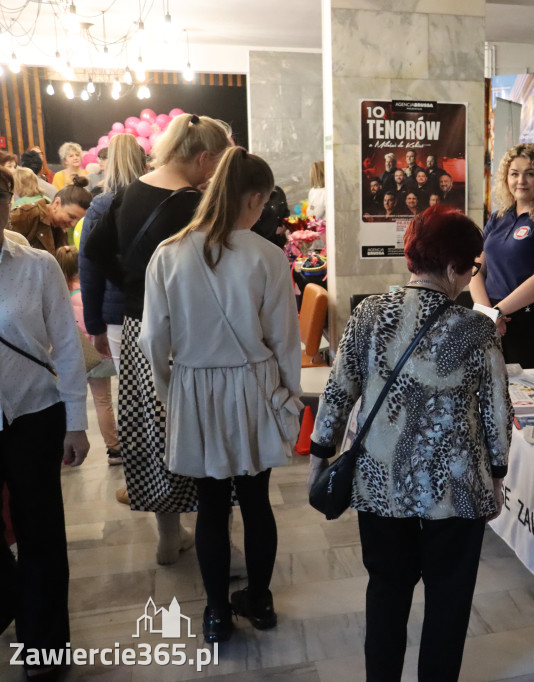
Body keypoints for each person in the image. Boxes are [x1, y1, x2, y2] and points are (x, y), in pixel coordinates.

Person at [308, 205, 511, 681]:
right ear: (452, 268)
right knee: (449, 601)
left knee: (386, 591)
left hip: (381, 483)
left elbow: (338, 392)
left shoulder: (369, 314)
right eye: (472, 266)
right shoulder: (477, 329)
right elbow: (496, 413)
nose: (471, 276)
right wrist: (498, 475)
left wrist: (320, 457)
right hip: (457, 492)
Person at [140, 147, 301, 644]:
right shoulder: (267, 256)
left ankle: (215, 613)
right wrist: (290, 398)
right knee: (256, 501)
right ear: (253, 198)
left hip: (194, 385)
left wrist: (173, 395)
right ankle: (262, 600)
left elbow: (153, 340)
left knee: (210, 507)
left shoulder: (168, 253)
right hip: (253, 387)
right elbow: (284, 339)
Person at [85, 112, 232, 565]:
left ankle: (168, 535)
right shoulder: (199, 206)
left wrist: (131, 283)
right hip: (191, 331)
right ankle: (213, 535)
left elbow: (92, 252)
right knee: (203, 432)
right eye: (217, 163)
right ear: (204, 157)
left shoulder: (125, 195)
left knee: (150, 431)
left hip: (137, 327)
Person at [0, 165, 91, 679]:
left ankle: (46, 645)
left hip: (34, 414)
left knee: (41, 536)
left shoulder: (36, 267)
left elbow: (68, 348)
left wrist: (76, 421)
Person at [470, 142, 534, 368]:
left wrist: (498, 312)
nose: (521, 181)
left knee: (529, 395)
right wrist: (487, 313)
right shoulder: (498, 217)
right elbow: (475, 270)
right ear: (506, 178)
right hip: (492, 318)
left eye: (530, 174)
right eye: (514, 174)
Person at [79, 134, 148, 382]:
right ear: (144, 164)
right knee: (162, 397)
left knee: (130, 394)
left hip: (118, 316)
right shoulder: (159, 201)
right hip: (159, 310)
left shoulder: (100, 206)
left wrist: (95, 326)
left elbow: (89, 272)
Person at [54, 246, 120, 465]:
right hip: (96, 355)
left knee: (67, 400)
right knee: (103, 401)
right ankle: (114, 448)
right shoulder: (87, 294)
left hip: (74, 356)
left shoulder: (62, 295)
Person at [9, 176, 91, 254]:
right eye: (71, 216)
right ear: (56, 203)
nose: (73, 224)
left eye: (78, 221)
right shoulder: (28, 214)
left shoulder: (60, 228)